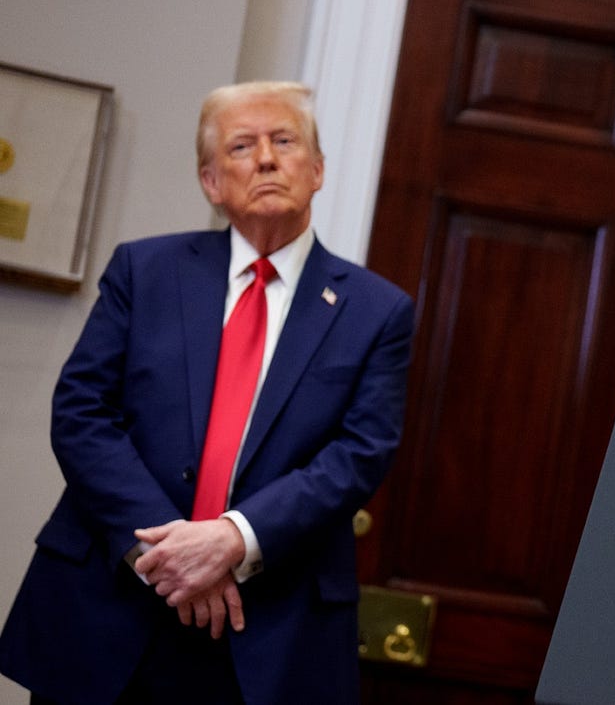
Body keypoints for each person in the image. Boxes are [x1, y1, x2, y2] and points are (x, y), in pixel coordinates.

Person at [0, 81, 414, 703]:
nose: (266, 159)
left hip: (266, 635)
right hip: (112, 605)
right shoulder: (144, 271)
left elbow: (359, 453)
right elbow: (82, 412)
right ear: (211, 182)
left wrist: (234, 539)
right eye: (242, 146)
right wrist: (170, 554)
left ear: (318, 170)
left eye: (284, 141)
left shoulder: (377, 311)